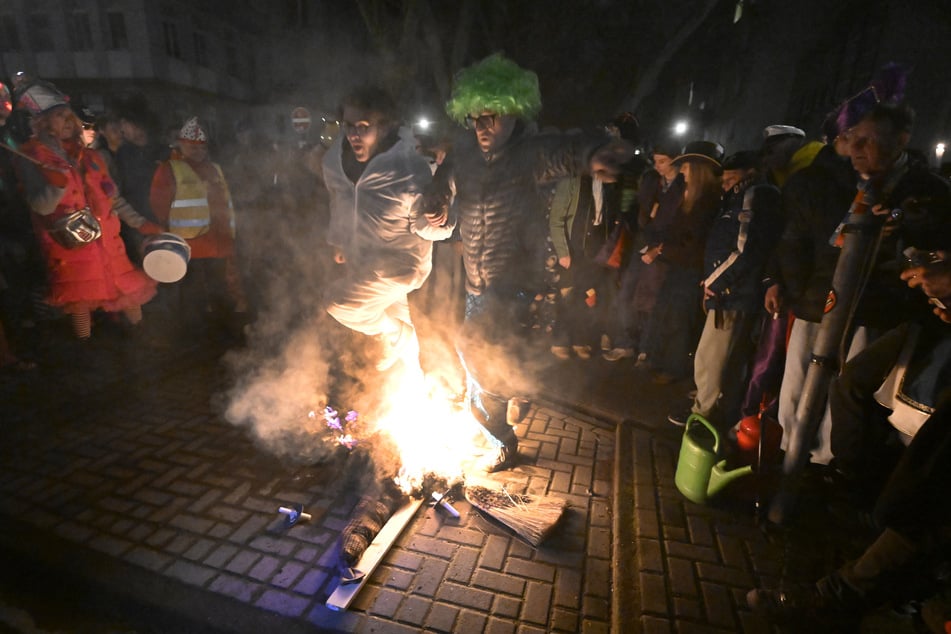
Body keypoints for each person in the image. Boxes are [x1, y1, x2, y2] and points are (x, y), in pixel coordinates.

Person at [420, 53, 632, 472]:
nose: (483, 126)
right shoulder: (462, 157)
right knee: (484, 366)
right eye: (476, 117)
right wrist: (435, 203)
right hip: (478, 286)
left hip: (516, 282)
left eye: (493, 116)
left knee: (475, 349)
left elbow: (565, 150)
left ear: (515, 114)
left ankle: (511, 410)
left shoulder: (527, 154)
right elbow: (441, 185)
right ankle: (502, 430)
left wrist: (594, 155)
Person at [13, 78, 156, 340]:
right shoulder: (32, 156)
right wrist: (55, 186)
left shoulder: (90, 156)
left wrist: (139, 223)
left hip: (108, 242)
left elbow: (113, 196)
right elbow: (41, 205)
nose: (68, 121)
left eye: (69, 115)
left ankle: (142, 340)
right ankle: (86, 348)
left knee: (128, 290)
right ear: (42, 122)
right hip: (70, 245)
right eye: (58, 116)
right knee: (80, 300)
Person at [322, 86, 453, 371]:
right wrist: (339, 240)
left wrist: (439, 221)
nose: (354, 134)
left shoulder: (408, 167)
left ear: (385, 127)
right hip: (363, 260)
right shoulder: (335, 162)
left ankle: (399, 336)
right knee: (407, 346)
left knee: (339, 304)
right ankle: (414, 387)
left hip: (399, 266)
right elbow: (339, 199)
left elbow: (425, 225)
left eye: (363, 127)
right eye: (349, 126)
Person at [667, 151, 782, 427]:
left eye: (731, 177)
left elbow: (744, 250)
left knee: (712, 357)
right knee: (719, 357)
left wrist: (715, 283)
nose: (725, 183)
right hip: (729, 292)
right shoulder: (737, 198)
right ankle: (712, 404)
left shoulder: (756, 197)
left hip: (735, 295)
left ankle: (702, 413)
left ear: (749, 173)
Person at [150, 117, 248, 337]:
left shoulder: (215, 168)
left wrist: (230, 236)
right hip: (189, 244)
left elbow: (226, 200)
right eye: (192, 147)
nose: (198, 151)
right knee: (192, 291)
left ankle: (221, 332)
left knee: (219, 287)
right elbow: (159, 205)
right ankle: (192, 335)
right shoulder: (169, 169)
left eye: (202, 147)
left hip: (217, 241)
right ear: (181, 145)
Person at [643, 140, 723, 385]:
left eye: (687, 166)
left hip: (691, 269)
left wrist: (664, 249)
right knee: (665, 312)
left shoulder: (707, 201)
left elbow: (695, 242)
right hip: (676, 265)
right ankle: (658, 359)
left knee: (679, 318)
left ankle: (673, 367)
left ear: (698, 170)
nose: (683, 171)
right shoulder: (686, 196)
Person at [604, 137, 684, 362]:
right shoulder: (651, 180)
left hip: (662, 249)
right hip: (641, 242)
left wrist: (660, 248)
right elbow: (639, 208)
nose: (658, 166)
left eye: (663, 161)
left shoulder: (683, 185)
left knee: (652, 300)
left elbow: (681, 223)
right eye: (656, 161)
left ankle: (646, 349)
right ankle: (625, 342)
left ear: (675, 160)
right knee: (625, 294)